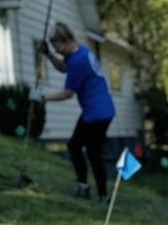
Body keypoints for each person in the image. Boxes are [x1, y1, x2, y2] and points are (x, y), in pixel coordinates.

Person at [40, 22, 116, 203]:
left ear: (64, 41)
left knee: (93, 153)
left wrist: (43, 97)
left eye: (56, 46)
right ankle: (83, 186)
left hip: (98, 114)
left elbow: (68, 94)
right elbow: (63, 67)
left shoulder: (79, 61)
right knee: (74, 146)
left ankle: (103, 196)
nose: (56, 50)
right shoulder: (79, 52)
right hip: (96, 110)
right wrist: (48, 54)